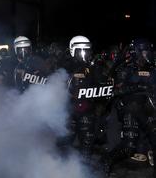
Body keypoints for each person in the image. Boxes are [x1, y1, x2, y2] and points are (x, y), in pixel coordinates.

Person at [103, 39, 156, 177]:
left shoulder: (153, 69)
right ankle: (108, 161)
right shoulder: (126, 69)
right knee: (129, 147)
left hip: (149, 109)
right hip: (131, 109)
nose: (147, 54)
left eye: (148, 52)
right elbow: (117, 90)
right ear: (137, 52)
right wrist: (138, 87)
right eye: (145, 51)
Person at [63, 36, 113, 164]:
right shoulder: (65, 66)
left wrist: (105, 83)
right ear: (73, 51)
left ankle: (83, 171)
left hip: (87, 111)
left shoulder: (93, 68)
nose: (85, 55)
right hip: (68, 112)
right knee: (64, 143)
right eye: (82, 51)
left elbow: (102, 87)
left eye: (87, 51)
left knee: (87, 144)